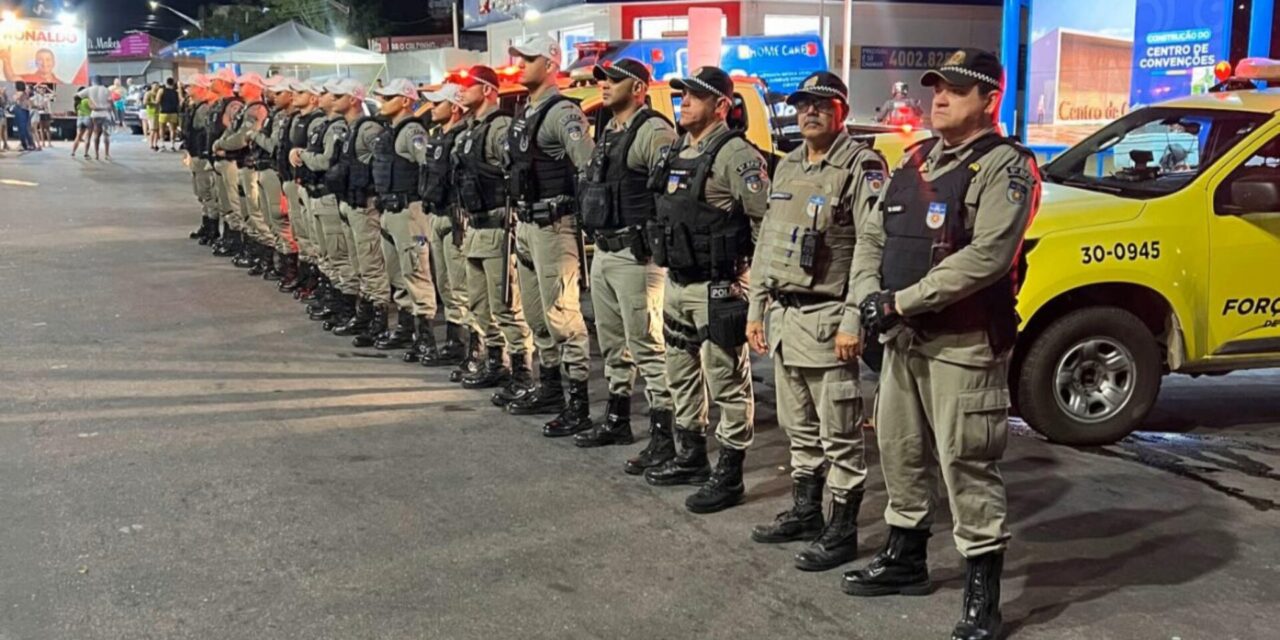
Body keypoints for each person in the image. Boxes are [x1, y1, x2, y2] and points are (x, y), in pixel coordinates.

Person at [844, 49, 1041, 640]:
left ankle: (984, 594)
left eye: (957, 88)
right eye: (937, 87)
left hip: (963, 343)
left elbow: (988, 257)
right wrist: (866, 300)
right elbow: (871, 237)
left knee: (966, 461)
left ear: (989, 100)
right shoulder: (915, 160)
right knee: (900, 452)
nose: (941, 97)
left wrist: (901, 301)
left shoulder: (1007, 168)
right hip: (903, 339)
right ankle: (906, 559)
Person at [746, 71, 888, 571]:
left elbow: (872, 249)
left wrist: (855, 320)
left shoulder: (861, 166)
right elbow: (766, 244)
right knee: (798, 429)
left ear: (841, 112)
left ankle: (842, 530)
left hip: (829, 321)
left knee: (840, 434)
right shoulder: (786, 166)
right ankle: (806, 512)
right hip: (785, 321)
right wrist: (756, 309)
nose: (809, 111)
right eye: (803, 104)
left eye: (821, 105)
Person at [644, 66, 769, 514]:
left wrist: (752, 285)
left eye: (695, 96)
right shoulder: (679, 148)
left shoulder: (735, 154)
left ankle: (730, 474)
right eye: (682, 94)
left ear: (721, 105)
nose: (684, 101)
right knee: (680, 372)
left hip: (718, 287)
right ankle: (691, 456)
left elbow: (763, 222)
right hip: (677, 282)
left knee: (727, 381)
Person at [571, 58, 679, 453]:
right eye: (602, 78)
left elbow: (670, 193)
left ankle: (665, 435)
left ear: (637, 89)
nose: (604, 84)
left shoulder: (653, 131)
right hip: (604, 249)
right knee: (614, 344)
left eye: (614, 80)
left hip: (636, 256)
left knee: (647, 345)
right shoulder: (610, 129)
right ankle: (617, 419)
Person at [501, 36, 596, 438]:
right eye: (519, 57)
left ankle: (579, 404)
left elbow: (589, 167)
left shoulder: (563, 113)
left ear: (551, 63)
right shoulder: (526, 111)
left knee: (563, 317)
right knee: (538, 317)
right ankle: (552, 388)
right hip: (526, 225)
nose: (519, 63)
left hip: (554, 227)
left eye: (528, 58)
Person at [452, 66, 535, 391]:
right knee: (480, 305)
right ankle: (496, 363)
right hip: (475, 226)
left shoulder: (500, 127)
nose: (461, 91)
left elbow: (514, 170)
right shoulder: (473, 128)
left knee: (506, 306)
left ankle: (522, 371)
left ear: (487, 90)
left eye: (467, 85)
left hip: (498, 226)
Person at [368, 78, 437, 352]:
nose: (383, 102)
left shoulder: (412, 132)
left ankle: (426, 337)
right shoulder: (392, 132)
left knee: (416, 272)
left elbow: (429, 168)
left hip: (409, 211)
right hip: (390, 210)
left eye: (389, 97)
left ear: (406, 100)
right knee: (398, 274)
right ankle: (407, 327)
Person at [326, 78, 393, 347]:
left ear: (353, 99)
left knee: (371, 263)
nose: (333, 99)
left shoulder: (368, 130)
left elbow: (380, 168)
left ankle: (379, 318)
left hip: (366, 205)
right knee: (359, 263)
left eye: (339, 95)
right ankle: (364, 313)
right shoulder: (351, 128)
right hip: (351, 202)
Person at [413, 83, 475, 367]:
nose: (433, 107)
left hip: (455, 217)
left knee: (460, 285)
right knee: (447, 285)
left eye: (439, 103)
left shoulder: (464, 136)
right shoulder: (439, 136)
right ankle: (453, 342)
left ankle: (464, 344)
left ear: (455, 107)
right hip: (436, 213)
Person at [293, 81, 357, 331]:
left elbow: (324, 161)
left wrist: (301, 155)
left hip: (328, 196)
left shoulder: (337, 127)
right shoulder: (324, 125)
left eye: (328, 93)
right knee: (325, 252)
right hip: (316, 193)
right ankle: (334, 298)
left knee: (338, 254)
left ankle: (346, 306)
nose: (320, 96)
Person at [213, 73, 274, 274]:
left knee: (255, 212)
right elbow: (232, 131)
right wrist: (221, 142)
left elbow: (241, 138)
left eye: (243, 84)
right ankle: (254, 251)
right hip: (242, 164)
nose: (238, 87)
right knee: (247, 212)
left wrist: (221, 144)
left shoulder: (256, 109)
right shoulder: (246, 108)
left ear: (254, 86)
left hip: (251, 165)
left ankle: (267, 255)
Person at [249, 76, 300, 285]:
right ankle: (281, 262)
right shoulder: (277, 115)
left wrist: (255, 135)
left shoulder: (289, 118)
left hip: (277, 173)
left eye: (278, 92)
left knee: (282, 221)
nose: (272, 95)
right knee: (271, 219)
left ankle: (291, 269)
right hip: (270, 170)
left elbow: (273, 145)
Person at [281, 81, 327, 301]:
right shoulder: (298, 119)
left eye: (300, 92)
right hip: (298, 181)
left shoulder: (316, 121)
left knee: (315, 237)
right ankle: (307, 275)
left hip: (311, 185)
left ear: (313, 98)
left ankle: (316, 281)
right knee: (302, 232)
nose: (294, 95)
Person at [206, 68, 248, 260]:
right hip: (218, 158)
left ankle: (238, 240)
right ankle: (229, 236)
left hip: (229, 160)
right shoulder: (220, 103)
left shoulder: (234, 105)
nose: (211, 82)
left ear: (223, 82)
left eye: (214, 79)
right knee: (223, 202)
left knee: (233, 202)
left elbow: (235, 133)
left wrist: (223, 147)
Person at [183, 75, 222, 245]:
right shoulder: (195, 106)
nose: (186, 89)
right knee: (200, 193)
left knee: (207, 193)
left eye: (190, 85)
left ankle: (212, 229)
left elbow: (206, 133)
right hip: (195, 154)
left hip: (202, 155)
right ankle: (206, 225)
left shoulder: (204, 108)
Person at [79, 77, 115, 160]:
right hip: (106, 115)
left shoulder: (89, 89)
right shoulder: (107, 90)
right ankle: (106, 154)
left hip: (95, 115)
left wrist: (89, 102)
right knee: (106, 134)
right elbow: (111, 103)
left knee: (96, 135)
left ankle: (96, 154)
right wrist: (114, 116)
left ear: (93, 81)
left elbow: (78, 95)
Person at [0, 47, 66, 85]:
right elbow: (11, 77)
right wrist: (6, 61)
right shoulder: (28, 79)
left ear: (53, 62)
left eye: (48, 59)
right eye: (40, 60)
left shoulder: (60, 84)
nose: (44, 63)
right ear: (36, 62)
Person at [12, 81, 35, 151]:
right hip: (24, 110)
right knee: (25, 128)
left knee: (22, 129)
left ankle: (25, 144)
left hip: (21, 110)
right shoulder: (25, 93)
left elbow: (15, 99)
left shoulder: (20, 93)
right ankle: (29, 144)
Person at [159, 78, 181, 151]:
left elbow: (157, 100)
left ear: (166, 83)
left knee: (162, 128)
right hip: (173, 112)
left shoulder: (161, 90)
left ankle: (162, 144)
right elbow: (179, 101)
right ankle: (172, 145)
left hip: (163, 112)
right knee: (173, 129)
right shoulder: (176, 92)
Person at [71, 85, 92, 158]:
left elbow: (76, 111)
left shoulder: (77, 102)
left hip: (80, 119)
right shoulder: (86, 100)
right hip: (88, 118)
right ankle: (86, 153)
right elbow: (92, 108)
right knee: (88, 137)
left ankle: (73, 152)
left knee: (78, 136)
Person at [32, 84, 52, 149]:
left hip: (47, 113)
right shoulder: (37, 96)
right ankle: (43, 142)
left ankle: (49, 142)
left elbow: (55, 94)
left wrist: (48, 88)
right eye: (41, 89)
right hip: (40, 113)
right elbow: (33, 89)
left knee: (48, 128)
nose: (43, 90)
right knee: (41, 128)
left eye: (44, 89)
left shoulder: (47, 96)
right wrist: (38, 85)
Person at [0, 83, 11, 152]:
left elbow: (5, 103)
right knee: (1, 130)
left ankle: (5, 144)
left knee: (4, 129)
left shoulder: (3, 96)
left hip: (2, 113)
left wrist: (4, 95)